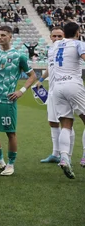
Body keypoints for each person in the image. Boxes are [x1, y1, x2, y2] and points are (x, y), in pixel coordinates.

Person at [0, 25, 38, 176]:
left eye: (3, 35)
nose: (0, 37)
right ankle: (0, 161)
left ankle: (11, 164)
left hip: (7, 100)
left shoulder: (19, 56)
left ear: (10, 37)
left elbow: (32, 76)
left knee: (10, 133)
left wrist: (21, 90)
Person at [46, 21, 85, 179]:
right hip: (73, 84)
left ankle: (64, 157)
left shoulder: (54, 46)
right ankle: (84, 156)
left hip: (57, 88)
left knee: (66, 124)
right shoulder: (78, 43)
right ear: (77, 32)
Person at [37, 27, 76, 164]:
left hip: (66, 89)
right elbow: (50, 67)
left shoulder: (68, 49)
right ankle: (55, 153)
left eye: (60, 36)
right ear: (50, 37)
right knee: (53, 122)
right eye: (54, 36)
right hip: (53, 91)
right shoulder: (51, 50)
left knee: (67, 123)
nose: (57, 39)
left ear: (64, 36)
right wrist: (41, 80)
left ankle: (67, 156)